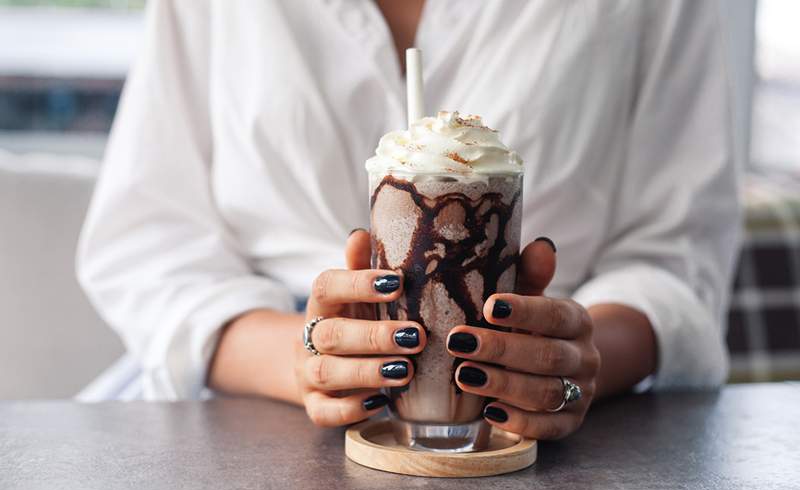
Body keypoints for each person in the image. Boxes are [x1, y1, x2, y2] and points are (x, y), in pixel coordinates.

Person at [77, 0, 740, 440]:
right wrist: (306, 360)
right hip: (238, 415)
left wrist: (570, 360)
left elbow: (676, 256)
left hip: (542, 431)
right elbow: (147, 240)